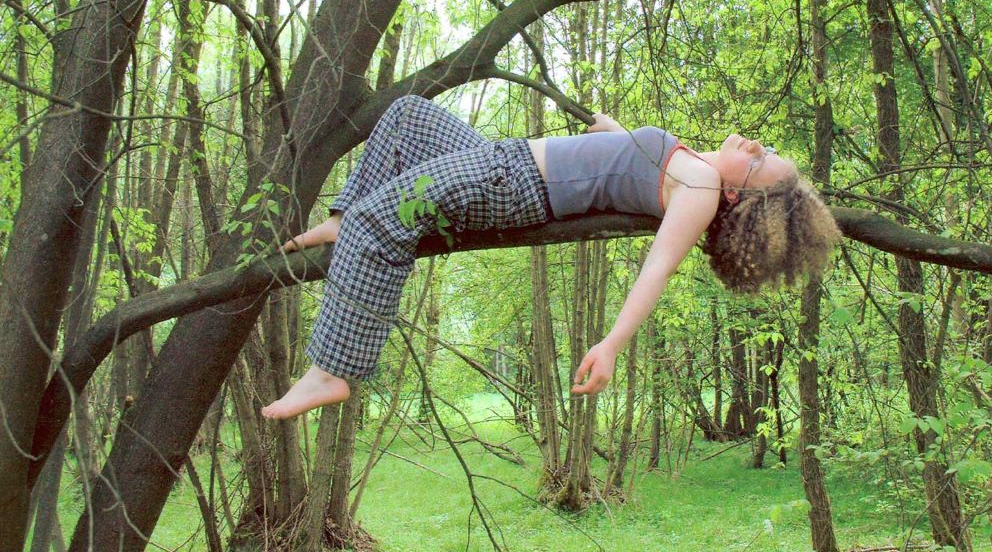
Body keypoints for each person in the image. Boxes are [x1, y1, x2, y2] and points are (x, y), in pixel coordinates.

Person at [261, 95, 840, 420]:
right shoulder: (695, 168)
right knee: (408, 116)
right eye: (770, 151)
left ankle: (332, 371)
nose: (757, 146)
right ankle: (342, 221)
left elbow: (658, 267)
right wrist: (615, 130)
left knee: (382, 221)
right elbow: (627, 164)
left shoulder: (702, 189)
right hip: (501, 160)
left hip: (511, 182)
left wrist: (611, 345)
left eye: (763, 164)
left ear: (740, 201)